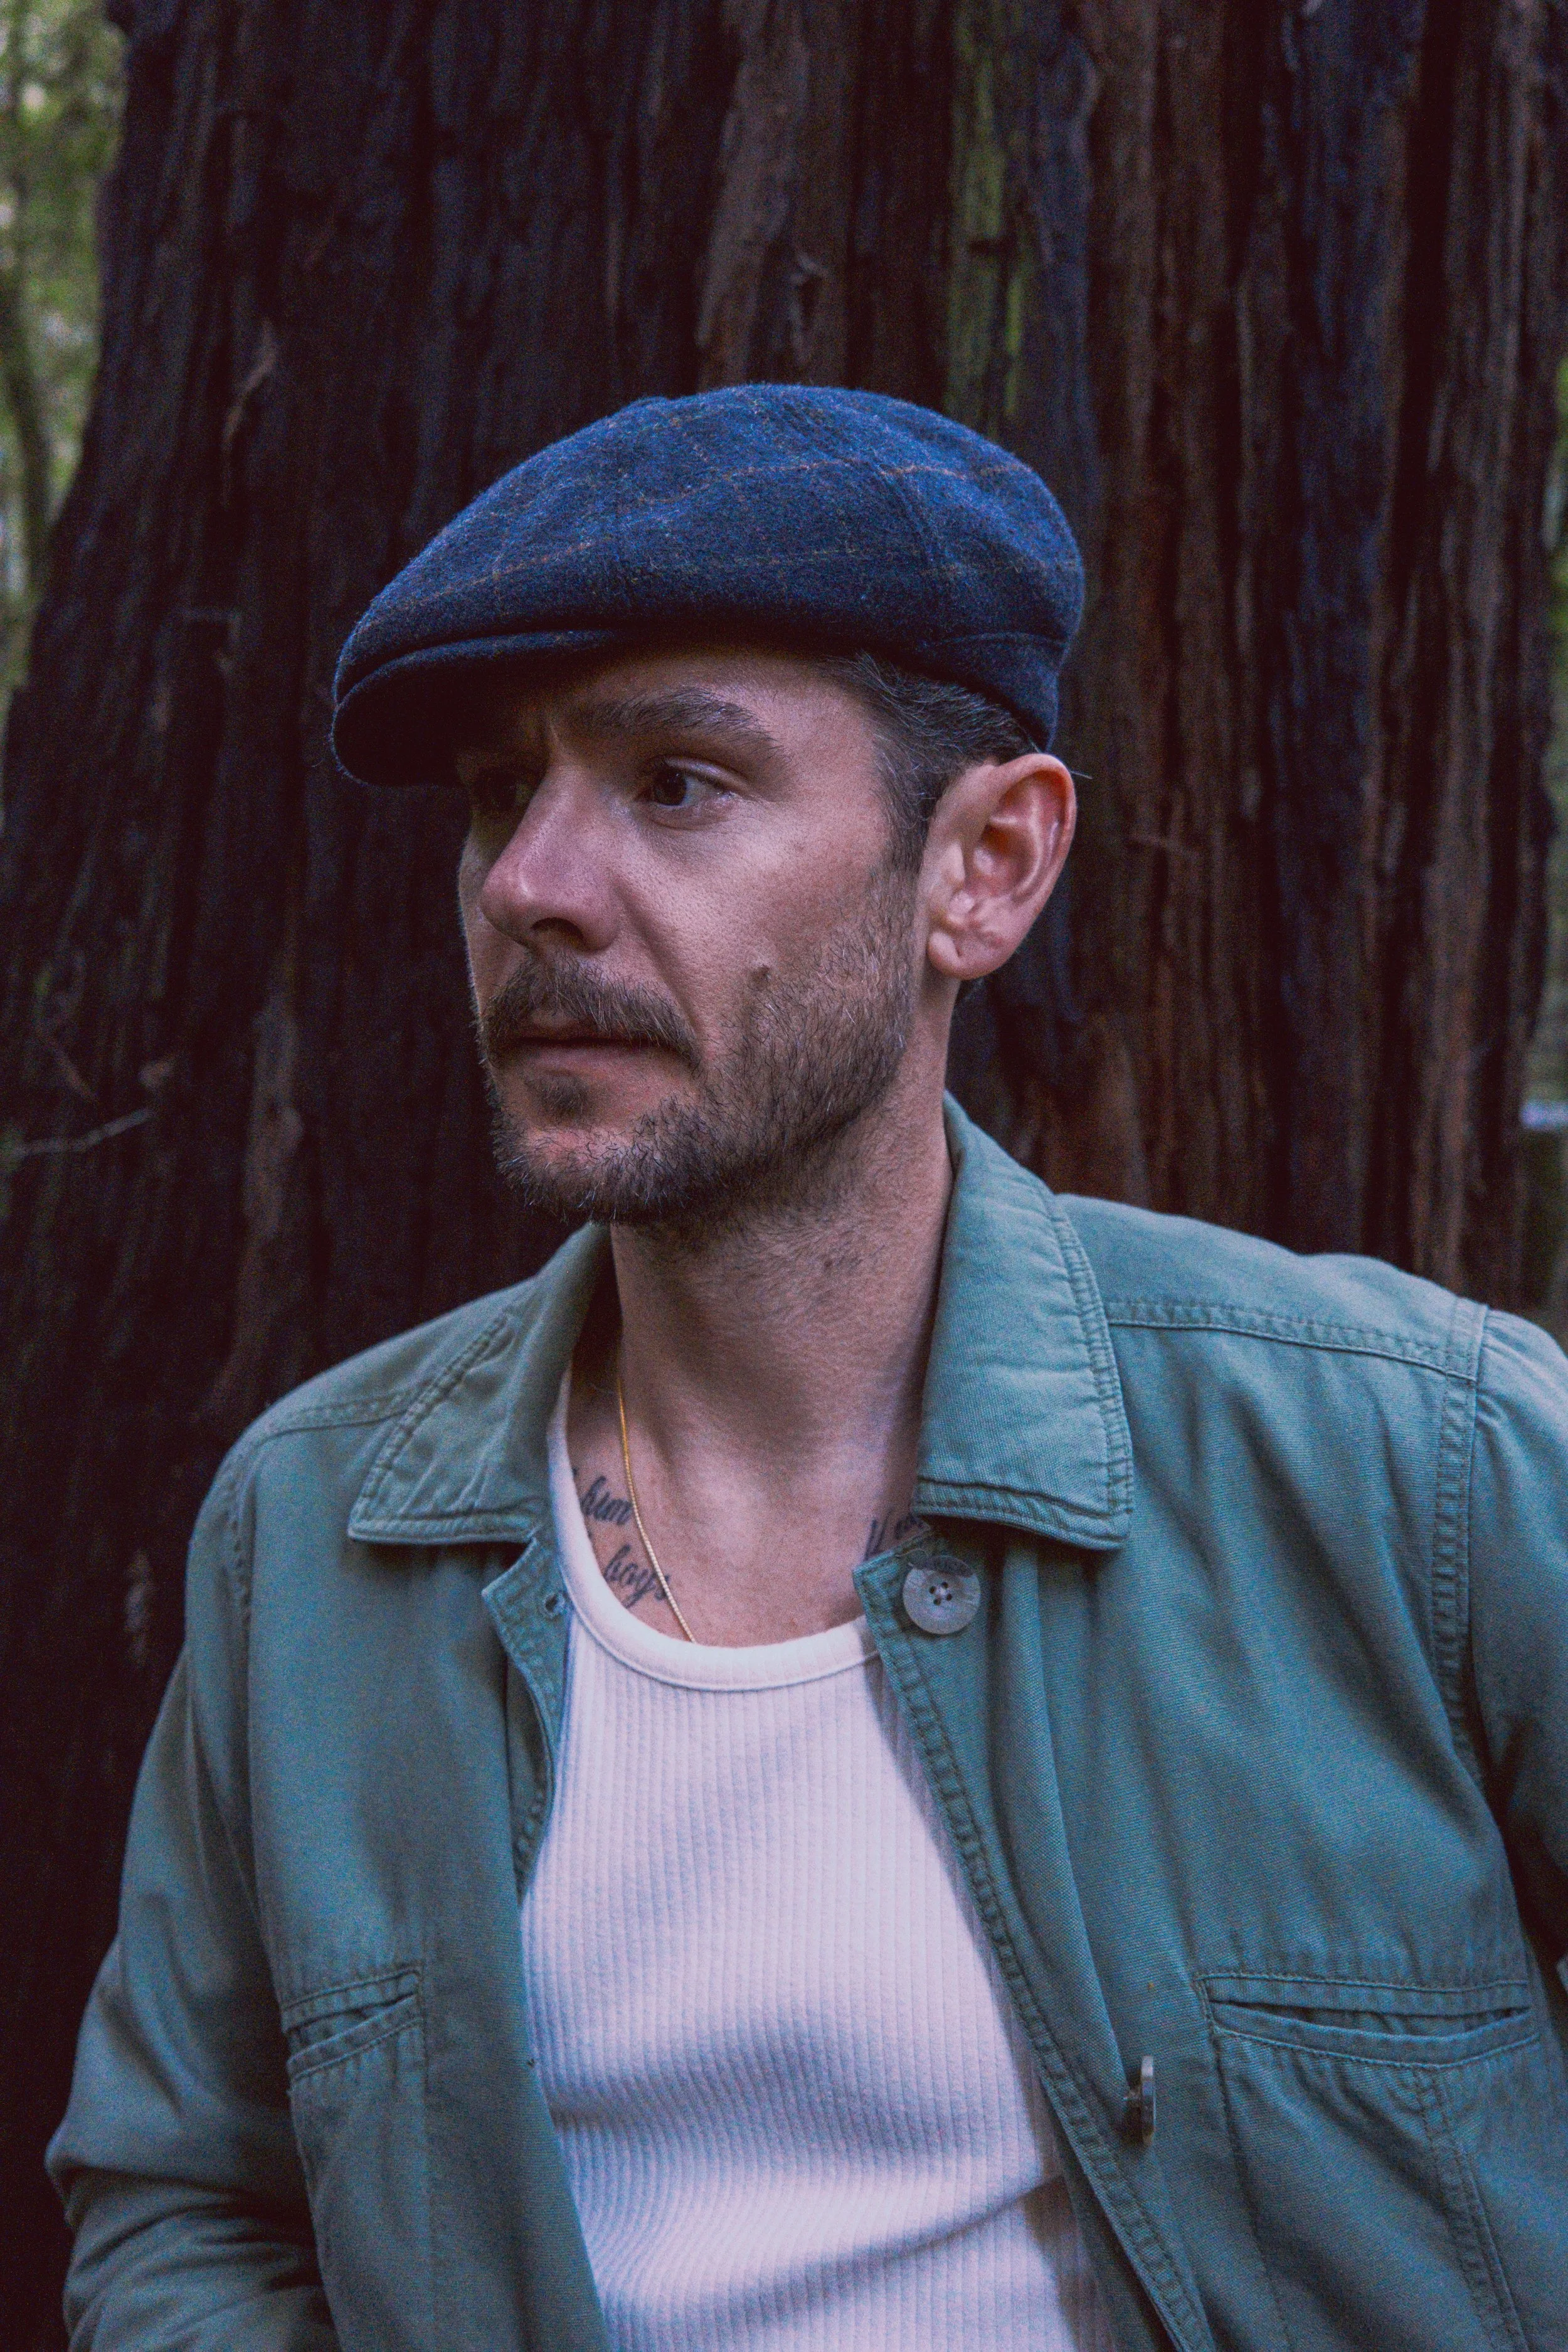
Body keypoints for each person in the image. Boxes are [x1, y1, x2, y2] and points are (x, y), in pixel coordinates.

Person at [49, 386, 1568, 2352]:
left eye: (678, 780)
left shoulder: (1410, 1455)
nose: (532, 883)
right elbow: (184, 2205)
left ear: (984, 868)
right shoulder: (316, 1526)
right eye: (503, 793)